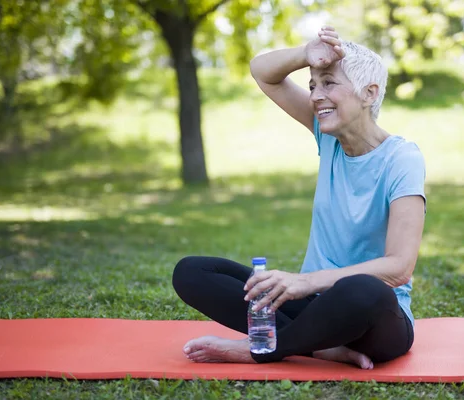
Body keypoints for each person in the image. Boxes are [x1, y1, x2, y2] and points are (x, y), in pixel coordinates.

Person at [172, 26, 426, 370]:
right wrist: (306, 53)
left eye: (329, 83)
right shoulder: (329, 138)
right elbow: (264, 73)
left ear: (369, 93)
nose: (315, 96)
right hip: (312, 305)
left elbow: (398, 267)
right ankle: (319, 347)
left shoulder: (402, 158)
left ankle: (259, 350)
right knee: (193, 271)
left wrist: (304, 281)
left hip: (373, 319)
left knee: (365, 290)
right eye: (312, 85)